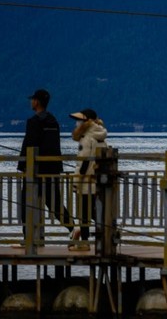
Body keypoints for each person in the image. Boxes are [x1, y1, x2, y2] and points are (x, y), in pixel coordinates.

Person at [17, 88, 72, 246]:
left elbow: (31, 146)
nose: (31, 102)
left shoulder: (34, 122)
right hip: (52, 171)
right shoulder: (53, 121)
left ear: (36, 102)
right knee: (55, 204)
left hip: (35, 172)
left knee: (26, 205)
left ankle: (29, 238)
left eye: (32, 99)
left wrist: (24, 167)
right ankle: (73, 228)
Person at [69, 108, 109, 250]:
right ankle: (106, 235)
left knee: (84, 213)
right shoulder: (101, 136)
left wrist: (76, 183)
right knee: (95, 211)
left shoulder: (86, 138)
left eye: (79, 120)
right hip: (98, 180)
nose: (77, 124)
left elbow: (84, 163)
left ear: (87, 122)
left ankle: (84, 242)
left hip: (86, 182)